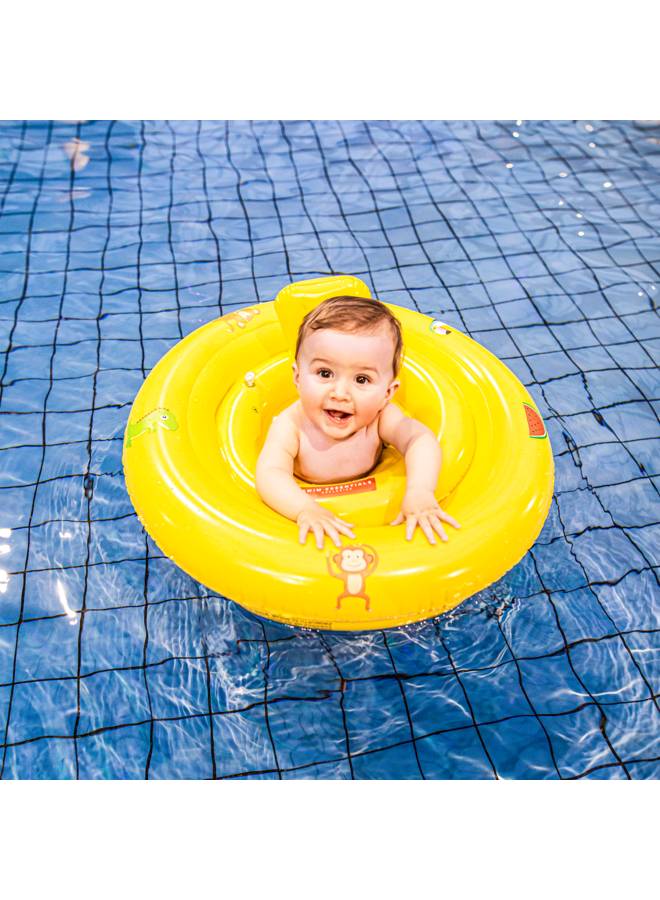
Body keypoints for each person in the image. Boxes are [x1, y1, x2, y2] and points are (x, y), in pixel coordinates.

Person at [255, 295, 461, 550]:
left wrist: (420, 491)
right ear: (297, 377)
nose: (340, 393)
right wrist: (305, 509)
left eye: (362, 379)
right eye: (325, 373)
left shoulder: (381, 417)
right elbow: (270, 473)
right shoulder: (291, 424)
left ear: (387, 392)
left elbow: (421, 441)